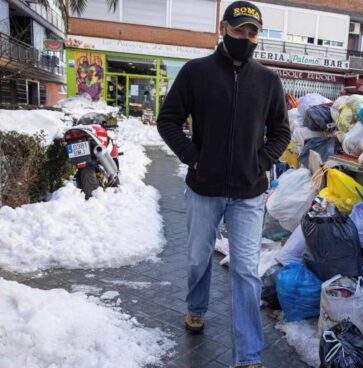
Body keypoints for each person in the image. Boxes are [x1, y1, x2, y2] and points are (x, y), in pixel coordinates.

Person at [156, 2, 290, 367]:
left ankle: (248, 356)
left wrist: (260, 162)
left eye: (252, 32)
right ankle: (196, 308)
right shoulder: (196, 73)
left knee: (246, 271)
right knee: (199, 258)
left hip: (248, 193)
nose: (246, 38)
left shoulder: (268, 81)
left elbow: (281, 131)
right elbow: (167, 119)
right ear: (223, 28)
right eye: (239, 30)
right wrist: (193, 156)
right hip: (204, 188)